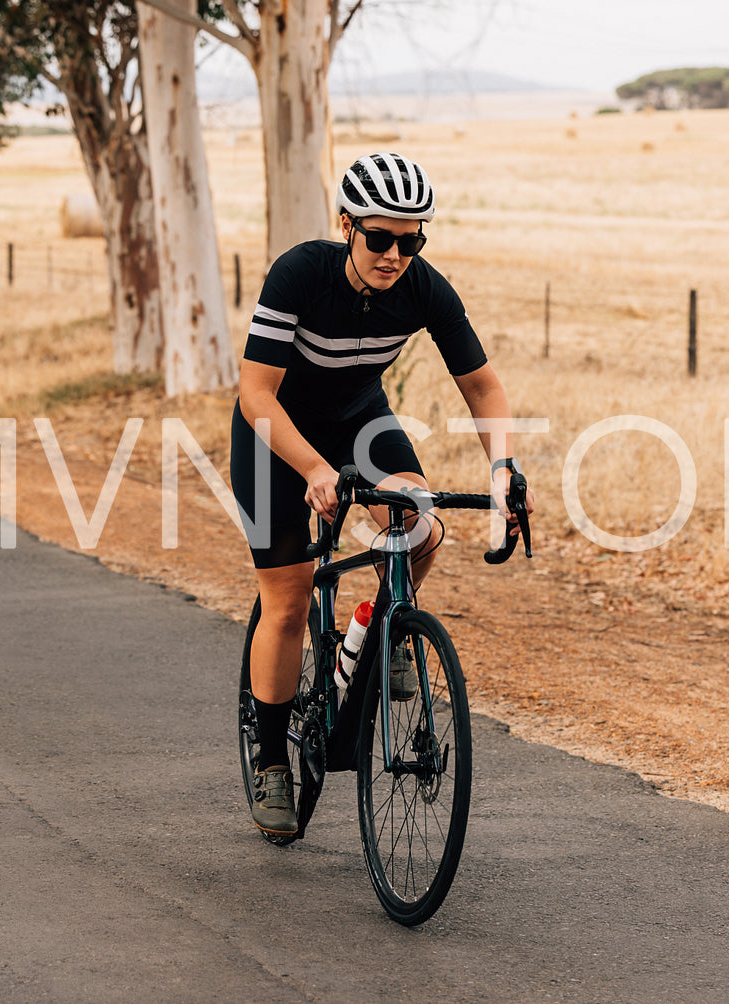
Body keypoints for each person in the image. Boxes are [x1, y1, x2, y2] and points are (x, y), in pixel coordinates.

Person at [230, 151, 535, 837]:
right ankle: (274, 757)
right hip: (275, 434)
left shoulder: (423, 288)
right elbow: (255, 392)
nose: (395, 254)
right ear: (346, 225)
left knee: (419, 524)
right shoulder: (300, 275)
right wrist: (311, 470)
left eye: (411, 239)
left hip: (359, 420)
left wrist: (503, 470)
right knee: (287, 598)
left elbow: (481, 386)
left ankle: (384, 624)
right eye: (379, 237)